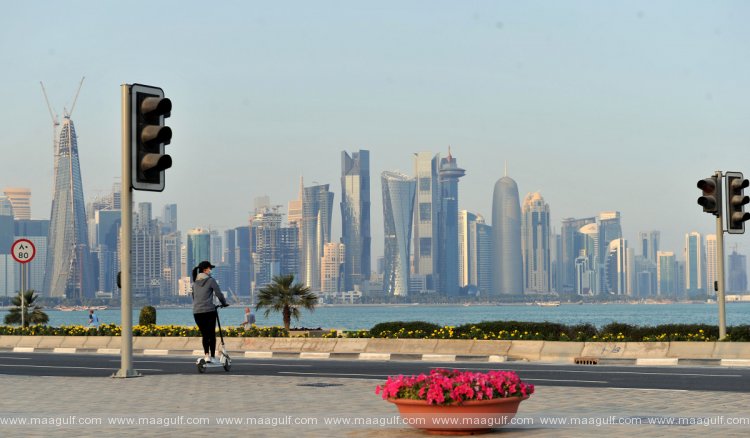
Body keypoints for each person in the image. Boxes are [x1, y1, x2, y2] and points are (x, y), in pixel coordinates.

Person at [191, 260, 228, 363]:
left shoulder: (194, 283)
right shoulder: (211, 280)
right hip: (209, 311)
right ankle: (212, 357)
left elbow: (194, 298)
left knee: (205, 334)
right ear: (205, 269)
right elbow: (219, 294)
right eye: (209, 268)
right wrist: (224, 303)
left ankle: (206, 355)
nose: (210, 270)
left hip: (197, 312)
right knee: (211, 334)